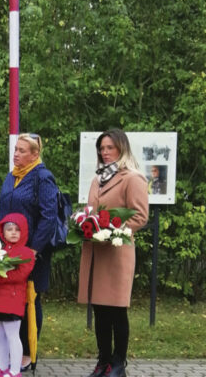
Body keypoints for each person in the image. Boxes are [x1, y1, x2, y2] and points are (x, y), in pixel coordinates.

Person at [78, 129, 148, 377]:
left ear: (122, 148)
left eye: (110, 147)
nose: (105, 152)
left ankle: (118, 363)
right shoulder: (98, 179)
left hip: (117, 253)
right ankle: (103, 361)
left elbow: (140, 216)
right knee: (100, 310)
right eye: (102, 148)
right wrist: (83, 223)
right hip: (96, 253)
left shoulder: (133, 178)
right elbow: (91, 211)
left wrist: (113, 231)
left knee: (117, 310)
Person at [0, 133, 60, 372]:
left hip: (33, 252)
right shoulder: (11, 176)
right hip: (8, 249)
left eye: (22, 151)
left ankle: (27, 352)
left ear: (35, 154)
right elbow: (3, 213)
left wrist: (33, 249)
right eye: (16, 149)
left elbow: (48, 216)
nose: (16, 154)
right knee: (11, 297)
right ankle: (12, 351)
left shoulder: (42, 177)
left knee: (29, 299)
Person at [0, 213, 36, 377]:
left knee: (12, 336)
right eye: (9, 229)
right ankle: (2, 367)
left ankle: (14, 370)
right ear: (3, 233)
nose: (13, 232)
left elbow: (19, 275)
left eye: (17, 229)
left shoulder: (26, 253)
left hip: (12, 299)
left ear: (23, 231)